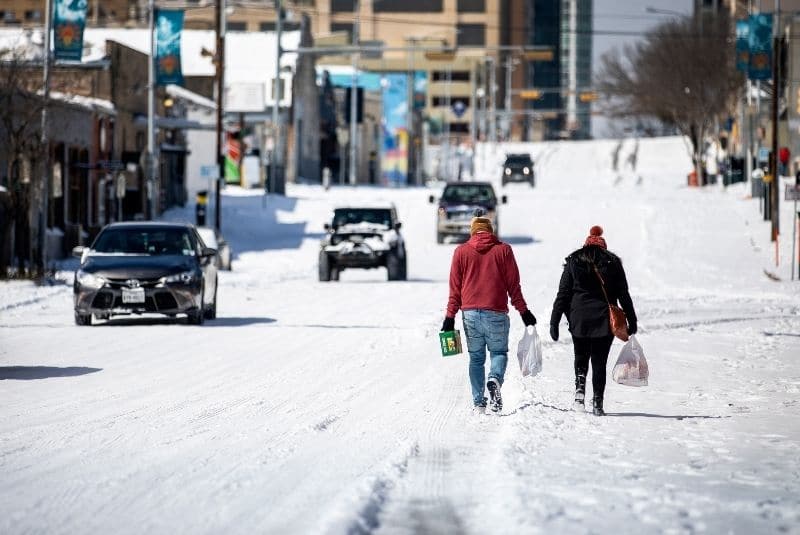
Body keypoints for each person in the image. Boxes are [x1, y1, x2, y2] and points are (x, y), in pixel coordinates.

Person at [442, 214, 537, 414]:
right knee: (499, 353)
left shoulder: (461, 252)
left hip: (470, 315)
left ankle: (479, 404)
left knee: (476, 359)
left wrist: (449, 318)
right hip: (496, 313)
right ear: (490, 231)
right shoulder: (504, 250)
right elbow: (514, 287)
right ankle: (494, 378)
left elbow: (455, 290)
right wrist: (524, 311)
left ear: (472, 231)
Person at [549, 226, 637, 416]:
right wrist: (632, 320)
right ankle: (598, 402)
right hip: (604, 320)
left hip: (578, 318)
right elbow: (624, 295)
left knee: (580, 357)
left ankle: (579, 393)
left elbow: (563, 294)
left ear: (586, 244)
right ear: (603, 246)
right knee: (599, 362)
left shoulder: (573, 261)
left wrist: (554, 321)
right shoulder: (613, 262)